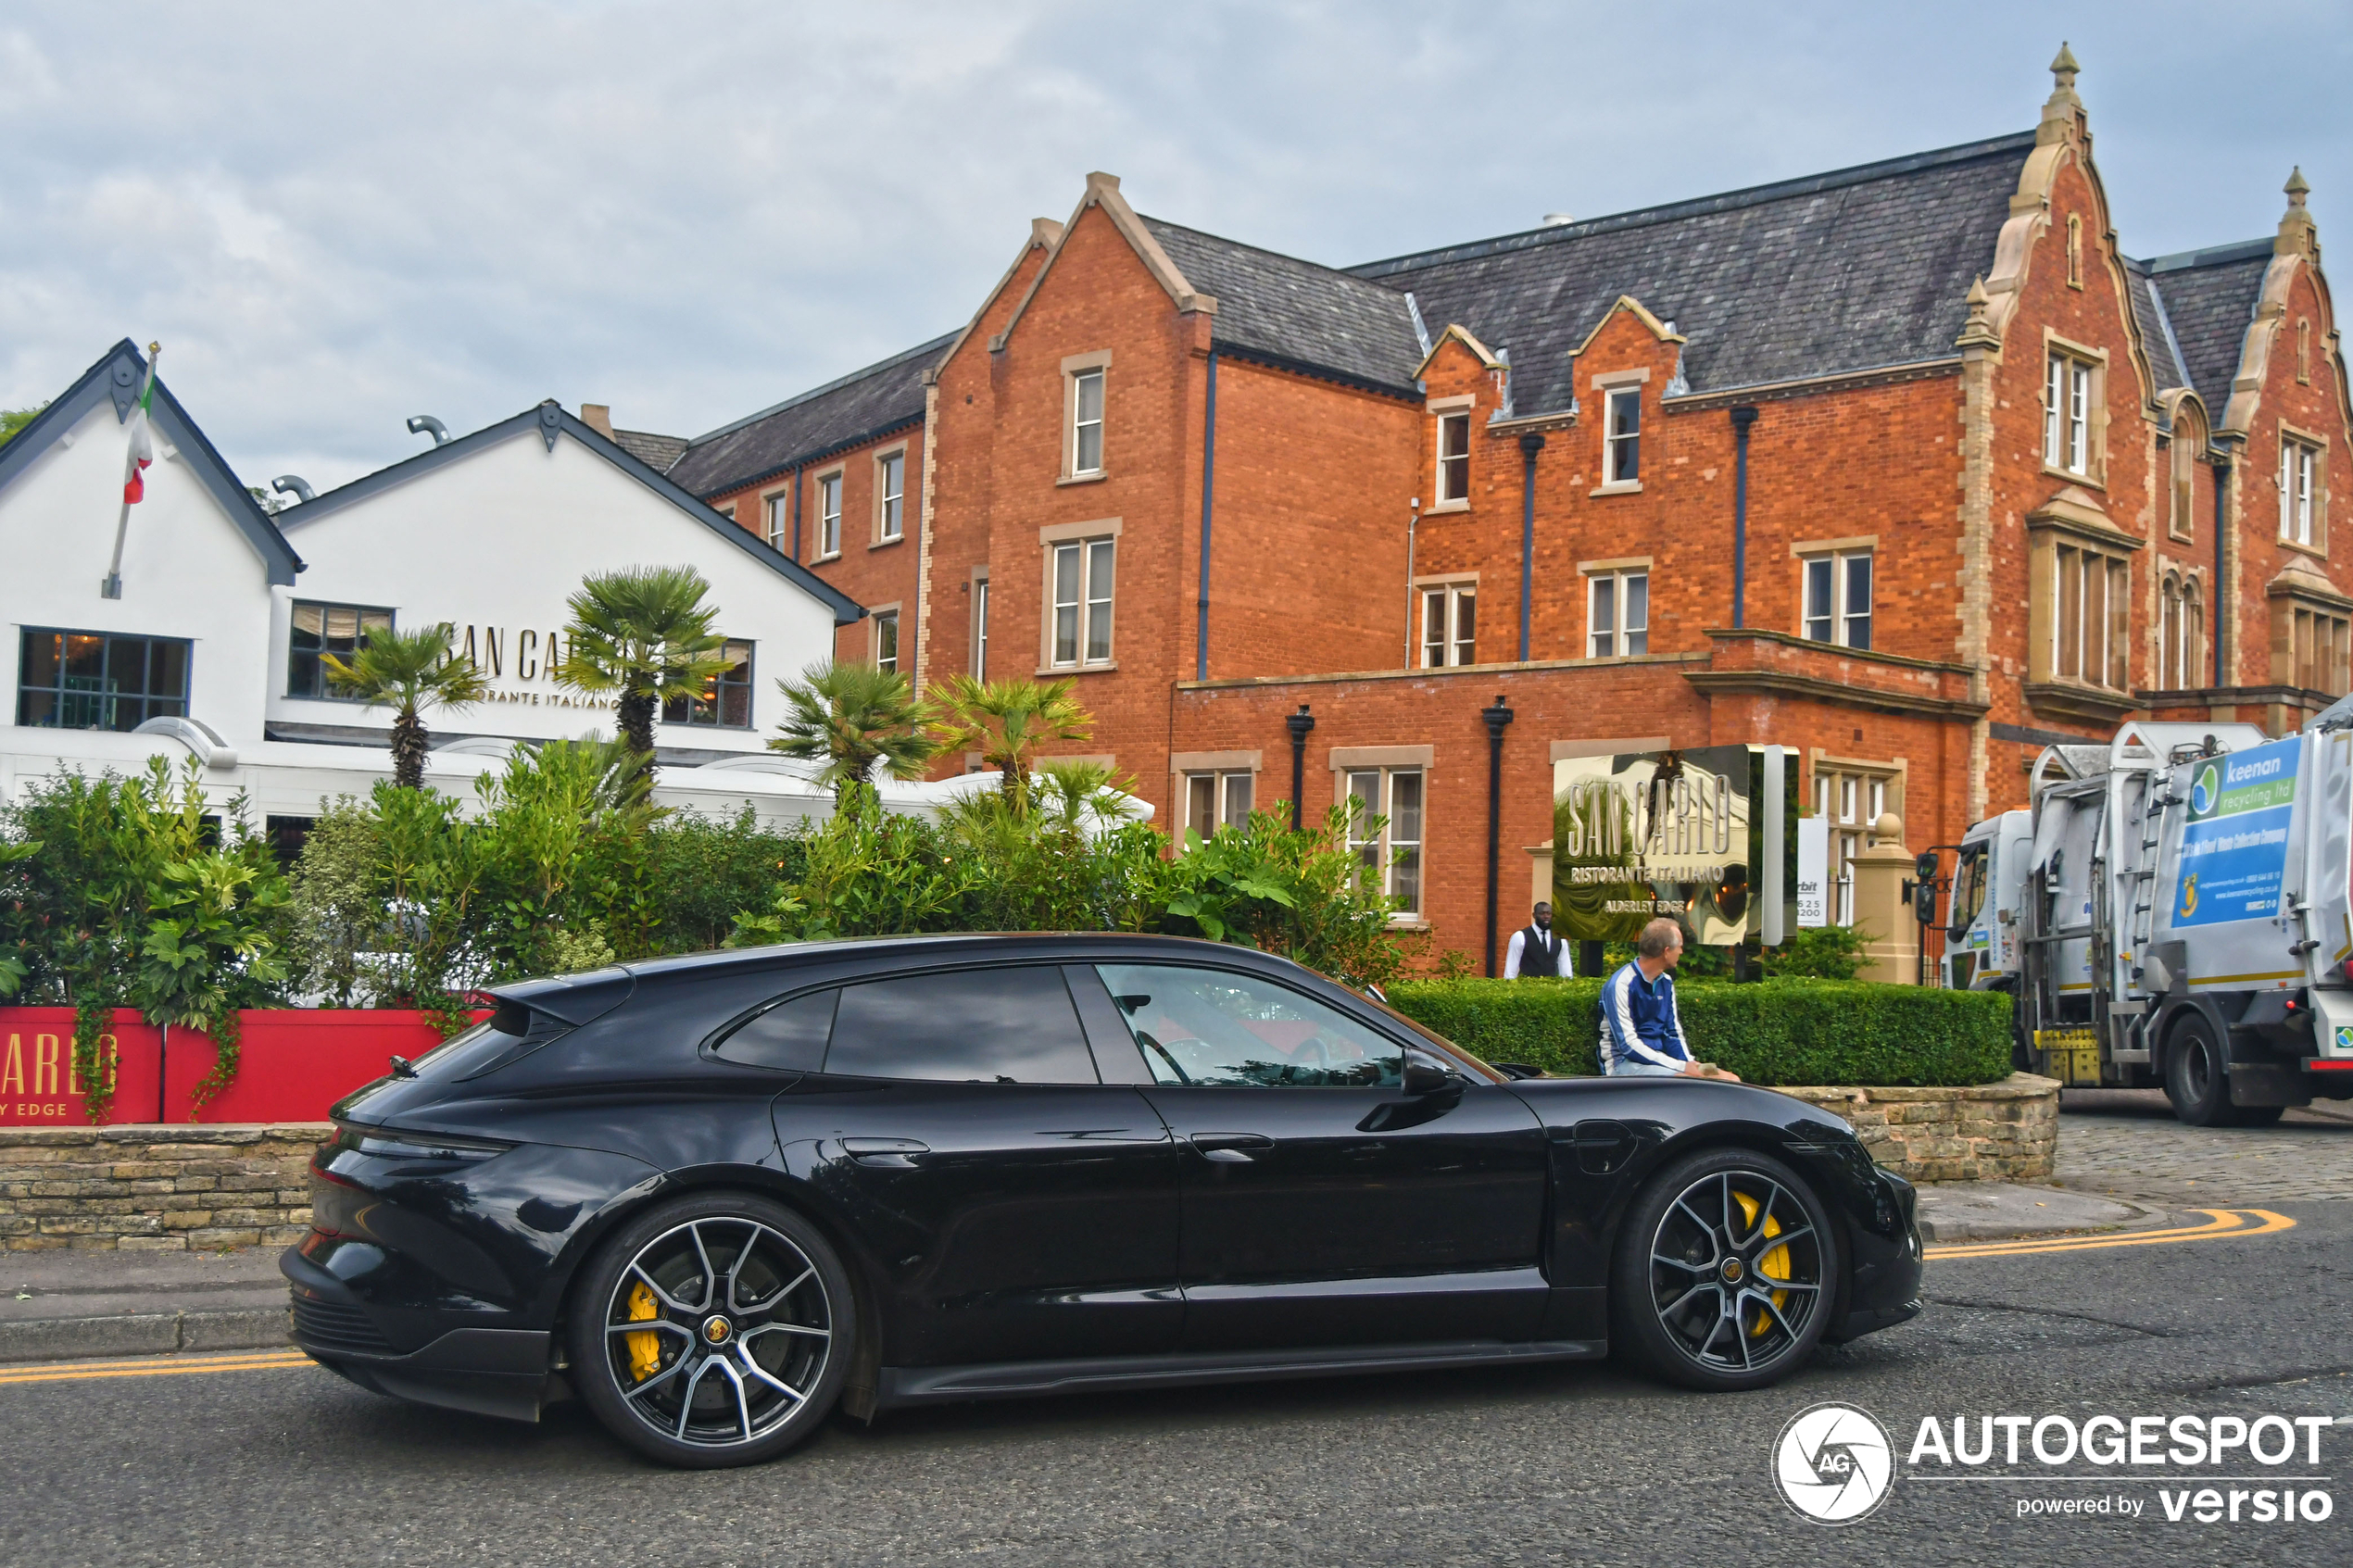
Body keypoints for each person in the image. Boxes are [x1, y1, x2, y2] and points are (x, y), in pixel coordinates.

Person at [1599, 917, 1741, 1080]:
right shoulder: (1620, 984)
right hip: (1624, 1065)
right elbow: (1628, 1046)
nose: (1681, 952)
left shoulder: (1666, 982)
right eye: (1680, 947)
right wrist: (1681, 1067)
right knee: (1686, 1081)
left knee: (1730, 1080)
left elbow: (1672, 1032)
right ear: (1666, 951)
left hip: (1661, 1062)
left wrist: (1690, 1064)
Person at [1504, 901, 1569, 979]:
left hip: (1551, 989)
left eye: (1549, 913)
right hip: (1527, 987)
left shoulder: (1560, 940)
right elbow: (1511, 970)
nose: (1546, 916)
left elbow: (1566, 971)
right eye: (1542, 913)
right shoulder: (1520, 937)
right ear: (1534, 915)